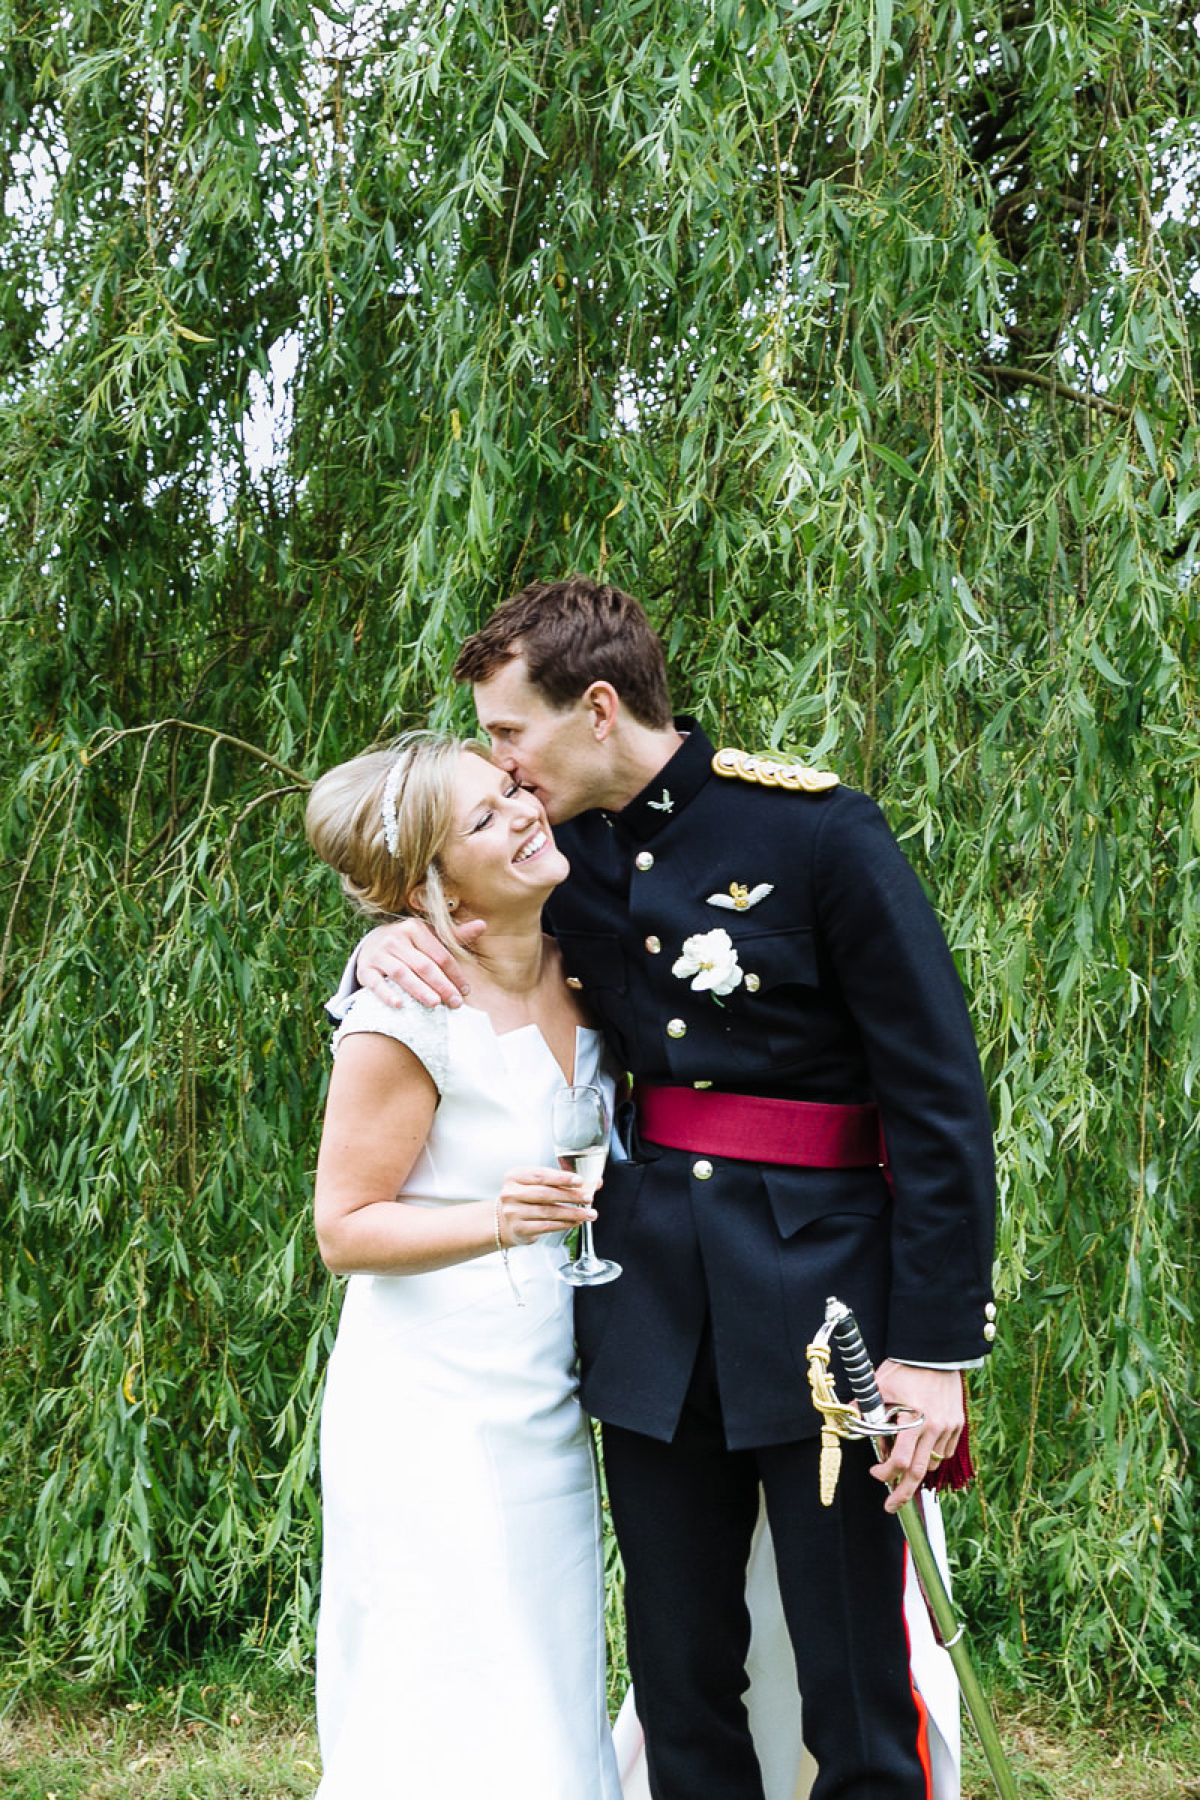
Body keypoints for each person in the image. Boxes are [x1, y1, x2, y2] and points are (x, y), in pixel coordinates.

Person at [345, 577, 998, 1800]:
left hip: (826, 1317)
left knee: (854, 1679)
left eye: (507, 735)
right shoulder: (553, 858)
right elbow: (441, 893)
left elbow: (940, 1101)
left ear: (596, 709)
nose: (502, 769)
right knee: (683, 1676)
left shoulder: (817, 835)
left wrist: (933, 1348)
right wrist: (384, 930)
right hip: (650, 1315)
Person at [305, 730, 624, 1800]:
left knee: (546, 1676)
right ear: (424, 887)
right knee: (447, 1684)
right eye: (484, 821)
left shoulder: (582, 957)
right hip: (432, 1408)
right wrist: (496, 1218)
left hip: (542, 1393)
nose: (526, 812)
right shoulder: (406, 1008)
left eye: (509, 792)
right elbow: (345, 1227)